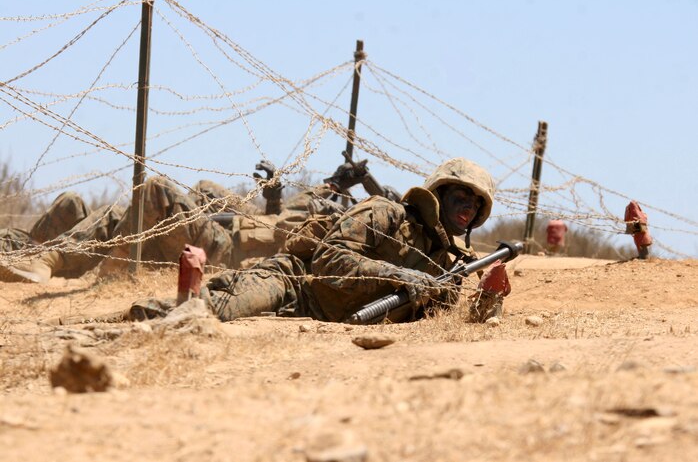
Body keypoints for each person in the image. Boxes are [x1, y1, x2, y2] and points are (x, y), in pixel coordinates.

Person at [131, 157, 506, 324]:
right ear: (440, 192)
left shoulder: (449, 264)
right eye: (462, 196)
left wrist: (488, 300)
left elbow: (444, 319)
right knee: (212, 313)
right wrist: (399, 275)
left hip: (326, 317)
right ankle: (126, 320)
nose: (469, 207)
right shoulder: (385, 213)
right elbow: (329, 259)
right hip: (294, 285)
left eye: (477, 204)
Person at [0, 158, 395, 282]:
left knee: (155, 188)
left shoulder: (346, 232)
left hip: (225, 252)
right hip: (223, 231)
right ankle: (22, 251)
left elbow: (391, 208)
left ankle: (102, 266)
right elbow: (287, 213)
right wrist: (278, 197)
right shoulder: (317, 202)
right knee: (85, 206)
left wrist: (366, 186)